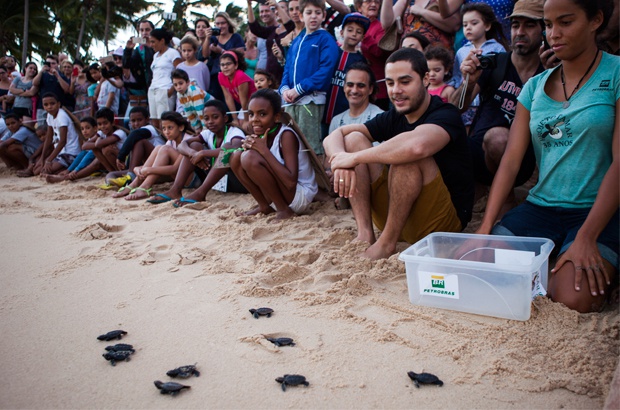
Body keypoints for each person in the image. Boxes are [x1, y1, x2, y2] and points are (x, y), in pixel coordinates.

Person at [477, 0, 618, 313]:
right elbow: (511, 161)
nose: (554, 34)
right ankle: (556, 255)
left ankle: (580, 253)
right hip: (540, 207)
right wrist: (485, 228)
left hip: (596, 210)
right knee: (487, 268)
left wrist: (586, 236)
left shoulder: (617, 73)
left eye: (565, 22)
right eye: (549, 24)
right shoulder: (534, 87)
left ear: (595, 20)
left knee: (572, 298)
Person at [323, 48, 474, 260]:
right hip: (399, 217)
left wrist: (355, 159)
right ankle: (365, 233)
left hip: (441, 225)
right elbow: (334, 135)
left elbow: (416, 147)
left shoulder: (445, 114)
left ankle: (386, 244)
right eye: (391, 83)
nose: (396, 90)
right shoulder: (394, 115)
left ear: (425, 80)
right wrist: (340, 160)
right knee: (354, 139)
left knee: (407, 159)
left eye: (405, 82)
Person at [449, 0, 545, 212]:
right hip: (477, 154)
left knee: (498, 138)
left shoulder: (547, 71)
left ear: (544, 30)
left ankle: (506, 198)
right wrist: (469, 81)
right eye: (515, 25)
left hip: (520, 161)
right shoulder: (496, 62)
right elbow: (457, 107)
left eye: (529, 25)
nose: (519, 32)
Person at [231, 89, 318, 220]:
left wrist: (263, 150)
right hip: (284, 193)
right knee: (236, 156)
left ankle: (284, 210)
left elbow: (290, 182)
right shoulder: (261, 133)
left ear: (277, 116)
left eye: (262, 114)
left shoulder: (286, 135)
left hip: (299, 196)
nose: (255, 120)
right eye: (251, 114)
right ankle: (264, 206)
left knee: (249, 157)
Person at [148, 100, 247, 206]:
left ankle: (201, 193)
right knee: (194, 146)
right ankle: (175, 190)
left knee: (226, 150)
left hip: (237, 182)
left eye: (215, 117)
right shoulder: (208, 133)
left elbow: (233, 148)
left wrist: (203, 153)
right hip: (217, 182)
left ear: (225, 118)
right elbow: (182, 145)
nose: (210, 121)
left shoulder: (235, 132)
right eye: (206, 118)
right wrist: (193, 153)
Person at [279, 0, 340, 156]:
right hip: (291, 102)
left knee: (310, 145)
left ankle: (316, 180)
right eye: (309, 13)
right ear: (301, 15)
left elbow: (325, 70)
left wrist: (299, 89)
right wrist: (284, 88)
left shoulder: (326, 39)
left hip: (311, 102)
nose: (313, 17)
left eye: (317, 13)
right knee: (291, 144)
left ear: (324, 15)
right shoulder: (297, 40)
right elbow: (288, 67)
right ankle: (296, 178)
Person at [113, 111, 193, 200]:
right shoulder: (171, 141)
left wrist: (148, 170)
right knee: (159, 147)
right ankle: (135, 184)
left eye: (170, 128)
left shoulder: (188, 140)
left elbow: (174, 168)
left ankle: (144, 186)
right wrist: (139, 168)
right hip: (177, 177)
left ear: (181, 127)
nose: (166, 132)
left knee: (164, 149)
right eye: (164, 128)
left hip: (190, 179)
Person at [450, 2, 508, 125]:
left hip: (489, 103)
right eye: (465, 25)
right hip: (466, 103)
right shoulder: (461, 51)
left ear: (487, 26)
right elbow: (456, 77)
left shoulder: (498, 49)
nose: (468, 27)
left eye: (474, 23)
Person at [322, 13, 370, 135]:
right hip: (322, 110)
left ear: (362, 37)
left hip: (343, 116)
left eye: (358, 32)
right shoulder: (332, 51)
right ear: (342, 32)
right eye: (350, 30)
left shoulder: (360, 60)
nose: (354, 34)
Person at [248, 0, 295, 85]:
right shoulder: (273, 30)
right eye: (275, 9)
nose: (277, 11)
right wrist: (249, 5)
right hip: (270, 76)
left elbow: (289, 25)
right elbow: (255, 28)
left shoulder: (294, 30)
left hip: (285, 75)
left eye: (280, 8)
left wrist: (276, 5)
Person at [383, 0, 461, 51]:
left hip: (436, 58)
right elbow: (387, 23)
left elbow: (454, 24)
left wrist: (422, 12)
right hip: (410, 56)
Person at [35, 92, 82, 176]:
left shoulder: (62, 116)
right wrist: (42, 159)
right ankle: (62, 169)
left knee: (41, 171)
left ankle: (68, 167)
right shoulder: (49, 115)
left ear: (58, 104)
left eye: (52, 103)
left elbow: (62, 141)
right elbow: (48, 138)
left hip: (70, 153)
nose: (49, 107)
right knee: (36, 169)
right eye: (46, 104)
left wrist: (49, 160)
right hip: (61, 152)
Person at [328, 62, 384, 133]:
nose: (354, 91)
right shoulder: (336, 121)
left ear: (370, 89)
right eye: (350, 85)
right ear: (344, 87)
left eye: (361, 85)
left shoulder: (380, 119)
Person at [356, 0, 390, 110]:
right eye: (368, 1)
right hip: (357, 88)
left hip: (378, 91)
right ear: (359, 7)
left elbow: (380, 51)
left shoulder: (380, 27)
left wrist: (363, 34)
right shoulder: (353, 26)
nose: (374, 4)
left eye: (377, 2)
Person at [45, 117, 101, 184]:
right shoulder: (89, 139)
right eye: (82, 129)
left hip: (100, 165)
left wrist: (76, 170)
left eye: (87, 128)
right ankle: (68, 172)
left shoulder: (99, 137)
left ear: (95, 128)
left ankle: (68, 176)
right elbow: (83, 152)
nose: (84, 131)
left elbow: (89, 155)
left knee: (90, 153)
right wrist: (69, 170)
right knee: (83, 153)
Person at [115, 106, 165, 178]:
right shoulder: (135, 134)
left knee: (140, 142)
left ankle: (131, 176)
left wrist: (121, 157)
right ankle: (128, 175)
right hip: (147, 164)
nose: (136, 124)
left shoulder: (150, 128)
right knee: (111, 174)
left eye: (139, 120)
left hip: (160, 162)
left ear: (147, 119)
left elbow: (135, 134)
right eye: (133, 121)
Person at [206, 12, 246, 102]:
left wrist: (221, 51)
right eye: (217, 24)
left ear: (228, 23)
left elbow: (241, 55)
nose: (220, 26)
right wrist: (207, 38)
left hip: (233, 76)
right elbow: (205, 54)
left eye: (223, 23)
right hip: (215, 77)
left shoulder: (236, 37)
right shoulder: (213, 38)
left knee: (234, 102)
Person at [148, 28, 182, 129]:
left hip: (165, 89)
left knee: (165, 123)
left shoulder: (173, 53)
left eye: (153, 42)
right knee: (155, 123)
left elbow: (180, 72)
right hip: (153, 90)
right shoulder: (155, 56)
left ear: (162, 41)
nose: (151, 45)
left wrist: (171, 90)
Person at [172, 68, 213, 133]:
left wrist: (205, 128)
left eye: (181, 83)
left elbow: (200, 110)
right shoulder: (179, 94)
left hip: (211, 111)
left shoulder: (194, 90)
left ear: (188, 82)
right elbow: (188, 111)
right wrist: (197, 127)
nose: (178, 87)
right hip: (202, 115)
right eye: (175, 85)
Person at [87, 108, 127, 173]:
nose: (102, 126)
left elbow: (98, 144)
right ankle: (111, 171)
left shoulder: (119, 133)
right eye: (99, 124)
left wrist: (99, 140)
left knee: (107, 149)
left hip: (125, 160)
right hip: (116, 160)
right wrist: (98, 143)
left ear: (113, 123)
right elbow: (84, 146)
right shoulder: (102, 133)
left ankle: (120, 172)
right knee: (95, 149)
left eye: (105, 123)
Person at [123, 20, 155, 96]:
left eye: (147, 30)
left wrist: (149, 46)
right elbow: (127, 65)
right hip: (148, 87)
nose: (144, 33)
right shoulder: (140, 49)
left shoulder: (160, 44)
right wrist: (128, 49)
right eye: (141, 30)